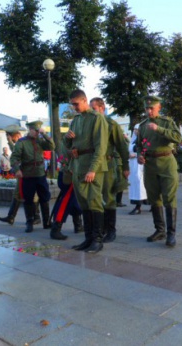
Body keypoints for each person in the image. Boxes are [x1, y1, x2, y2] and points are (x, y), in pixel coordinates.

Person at [64, 89, 108, 253]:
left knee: (94, 201)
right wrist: (67, 139)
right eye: (72, 104)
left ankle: (97, 240)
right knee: (84, 203)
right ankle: (88, 239)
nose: (74, 107)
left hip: (92, 166)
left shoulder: (96, 118)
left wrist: (93, 169)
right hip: (78, 165)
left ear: (84, 100)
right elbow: (67, 145)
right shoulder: (75, 120)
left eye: (76, 104)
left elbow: (101, 147)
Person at [137, 96, 182, 247]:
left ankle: (171, 234)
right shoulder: (142, 126)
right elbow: (139, 145)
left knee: (169, 198)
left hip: (166, 163)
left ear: (159, 107)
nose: (149, 111)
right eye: (147, 108)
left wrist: (159, 129)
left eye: (152, 108)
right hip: (150, 165)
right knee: (154, 198)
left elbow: (177, 138)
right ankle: (160, 230)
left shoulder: (167, 122)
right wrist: (139, 155)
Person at [90, 97, 130, 243]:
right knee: (94, 197)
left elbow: (121, 146)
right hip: (93, 166)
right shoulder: (90, 123)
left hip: (108, 165)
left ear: (102, 108)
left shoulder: (110, 124)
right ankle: (99, 229)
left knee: (109, 197)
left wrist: (125, 166)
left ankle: (111, 230)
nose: (92, 112)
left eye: (94, 109)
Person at [10, 120, 55, 233]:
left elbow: (52, 146)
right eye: (35, 131)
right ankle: (29, 222)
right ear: (30, 130)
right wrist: (17, 169)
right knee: (28, 199)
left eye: (38, 131)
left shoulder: (40, 141)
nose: (36, 133)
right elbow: (14, 158)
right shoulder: (22, 142)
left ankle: (47, 222)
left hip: (40, 174)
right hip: (28, 175)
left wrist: (44, 134)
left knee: (44, 198)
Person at [0, 124, 41, 227]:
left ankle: (36, 217)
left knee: (33, 195)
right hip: (23, 172)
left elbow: (16, 152)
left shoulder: (23, 141)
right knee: (17, 194)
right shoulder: (20, 141)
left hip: (29, 172)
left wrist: (10, 142)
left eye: (9, 136)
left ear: (14, 135)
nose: (8, 138)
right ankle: (11, 217)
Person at [49, 142, 84, 240]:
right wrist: (70, 168)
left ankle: (78, 225)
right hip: (69, 175)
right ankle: (56, 229)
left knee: (75, 201)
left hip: (73, 173)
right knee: (65, 202)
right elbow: (65, 156)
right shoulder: (69, 139)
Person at [128, 124, 148, 215]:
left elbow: (146, 150)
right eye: (135, 129)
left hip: (141, 165)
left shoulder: (145, 140)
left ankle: (139, 206)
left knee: (141, 184)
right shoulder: (133, 140)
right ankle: (138, 204)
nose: (136, 131)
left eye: (138, 129)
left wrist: (135, 155)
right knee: (135, 184)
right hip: (133, 166)